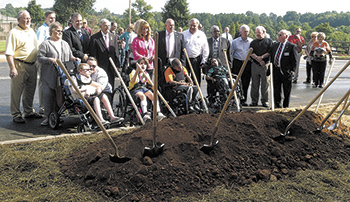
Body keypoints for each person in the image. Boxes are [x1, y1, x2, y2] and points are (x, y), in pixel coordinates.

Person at [37, 22, 79, 126]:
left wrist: (74, 58)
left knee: (59, 96)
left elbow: (70, 56)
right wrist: (49, 59)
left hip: (62, 75)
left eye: (61, 31)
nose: (60, 33)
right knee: (48, 95)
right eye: (57, 31)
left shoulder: (64, 43)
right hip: (49, 74)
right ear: (51, 31)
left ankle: (56, 116)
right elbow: (39, 58)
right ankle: (47, 117)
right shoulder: (46, 44)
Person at [5, 10, 42, 123]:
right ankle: (16, 114)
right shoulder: (13, 32)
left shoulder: (31, 31)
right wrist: (12, 68)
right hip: (19, 64)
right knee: (17, 91)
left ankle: (29, 111)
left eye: (29, 18)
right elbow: (9, 53)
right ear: (18, 20)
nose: (28, 20)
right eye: (25, 18)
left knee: (30, 90)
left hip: (32, 64)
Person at [129, 57, 166, 122]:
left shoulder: (146, 74)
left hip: (144, 88)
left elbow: (150, 84)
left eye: (145, 64)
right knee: (142, 96)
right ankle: (145, 114)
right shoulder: (134, 72)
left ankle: (158, 113)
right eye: (141, 63)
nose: (143, 65)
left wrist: (155, 90)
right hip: (136, 89)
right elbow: (133, 81)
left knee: (153, 96)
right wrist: (137, 71)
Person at [270, 30, 298, 108]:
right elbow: (272, 57)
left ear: (286, 36)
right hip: (276, 71)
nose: (278, 36)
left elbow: (295, 61)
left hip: (286, 72)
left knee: (286, 91)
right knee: (276, 90)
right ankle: (277, 105)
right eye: (278, 35)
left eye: (280, 35)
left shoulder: (291, 46)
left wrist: (292, 71)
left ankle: (285, 106)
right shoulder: (275, 45)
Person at [89, 19, 119, 89]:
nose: (107, 27)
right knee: (101, 85)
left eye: (108, 26)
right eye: (105, 26)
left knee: (111, 85)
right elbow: (93, 53)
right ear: (100, 26)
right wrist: (94, 66)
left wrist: (117, 64)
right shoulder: (95, 38)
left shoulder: (113, 37)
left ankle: (110, 99)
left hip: (111, 66)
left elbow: (116, 51)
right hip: (101, 65)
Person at [36, 10, 56, 115]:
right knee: (43, 85)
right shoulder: (41, 29)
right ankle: (43, 107)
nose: (52, 20)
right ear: (46, 18)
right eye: (50, 18)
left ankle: (51, 106)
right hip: (44, 62)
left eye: (54, 18)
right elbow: (39, 46)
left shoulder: (54, 29)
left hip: (53, 63)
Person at [249, 26, 273, 108]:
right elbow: (251, 52)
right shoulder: (253, 42)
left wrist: (262, 58)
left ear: (264, 32)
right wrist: (258, 59)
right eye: (256, 33)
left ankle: (265, 101)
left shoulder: (269, 41)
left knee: (265, 84)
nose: (257, 34)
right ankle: (254, 101)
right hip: (255, 65)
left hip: (265, 65)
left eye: (259, 32)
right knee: (254, 84)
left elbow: (270, 52)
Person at [182, 18, 209, 86]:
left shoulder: (201, 35)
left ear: (198, 26)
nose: (192, 27)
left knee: (196, 78)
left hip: (196, 59)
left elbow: (205, 48)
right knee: (185, 78)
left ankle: (196, 94)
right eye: (190, 25)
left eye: (194, 25)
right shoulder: (184, 34)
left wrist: (203, 61)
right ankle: (186, 94)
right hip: (186, 59)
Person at [231, 24, 253, 106]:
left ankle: (243, 100)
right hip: (237, 63)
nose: (246, 33)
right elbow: (232, 53)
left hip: (247, 63)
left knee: (246, 82)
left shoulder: (251, 41)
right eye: (244, 31)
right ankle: (234, 100)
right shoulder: (235, 42)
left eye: (247, 31)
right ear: (240, 32)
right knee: (235, 82)